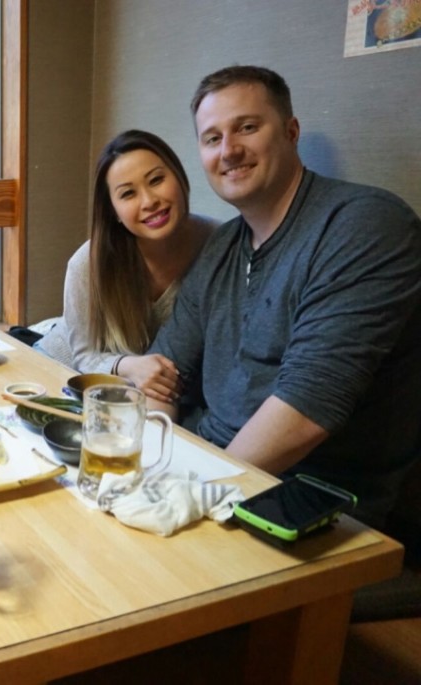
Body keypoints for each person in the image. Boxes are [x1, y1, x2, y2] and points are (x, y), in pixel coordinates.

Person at [148, 65, 421, 527]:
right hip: (208, 470)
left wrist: (198, 497)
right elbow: (164, 368)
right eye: (212, 138)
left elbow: (308, 407)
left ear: (291, 132)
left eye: (247, 128)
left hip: (305, 500)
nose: (229, 150)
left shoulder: (363, 226)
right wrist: (152, 461)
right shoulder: (222, 245)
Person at [35, 130, 217, 402]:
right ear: (114, 211)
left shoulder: (218, 245)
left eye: (156, 180)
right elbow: (84, 355)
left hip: (139, 393)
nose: (149, 201)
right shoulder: (88, 263)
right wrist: (128, 366)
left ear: (179, 177)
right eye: (128, 193)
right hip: (63, 367)